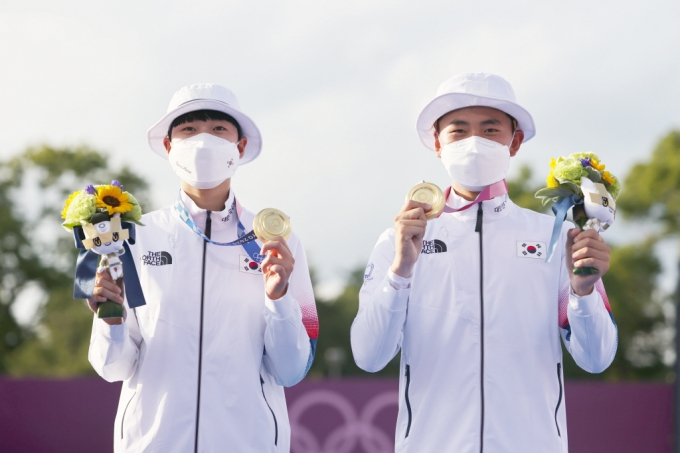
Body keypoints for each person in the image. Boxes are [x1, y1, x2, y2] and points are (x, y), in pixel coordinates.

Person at [351, 73, 617, 452]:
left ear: (515, 141)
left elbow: (596, 359)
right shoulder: (399, 240)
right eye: (459, 131)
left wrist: (584, 292)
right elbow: (369, 356)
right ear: (437, 143)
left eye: (490, 129)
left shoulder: (556, 238)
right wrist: (400, 272)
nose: (474, 143)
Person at [87, 83, 318, 452]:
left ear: (239, 147)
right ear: (169, 146)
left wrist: (280, 301)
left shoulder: (277, 241)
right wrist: (110, 322)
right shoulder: (132, 239)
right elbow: (112, 368)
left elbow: (292, 369)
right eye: (189, 129)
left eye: (218, 129)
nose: (203, 140)